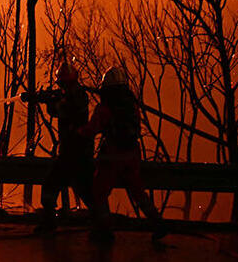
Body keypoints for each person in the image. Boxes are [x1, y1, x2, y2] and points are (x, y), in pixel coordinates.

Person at [83, 66, 167, 243]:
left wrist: (77, 132)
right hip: (132, 154)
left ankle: (104, 231)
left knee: (99, 192)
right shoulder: (132, 107)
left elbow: (91, 130)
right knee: (137, 192)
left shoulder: (104, 109)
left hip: (113, 155)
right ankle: (158, 223)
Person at [23, 62, 93, 233]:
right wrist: (41, 98)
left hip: (73, 152)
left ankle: (49, 223)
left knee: (50, 185)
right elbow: (57, 109)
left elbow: (62, 110)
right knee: (85, 190)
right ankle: (101, 225)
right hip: (77, 152)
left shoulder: (77, 97)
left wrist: (51, 102)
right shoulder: (72, 94)